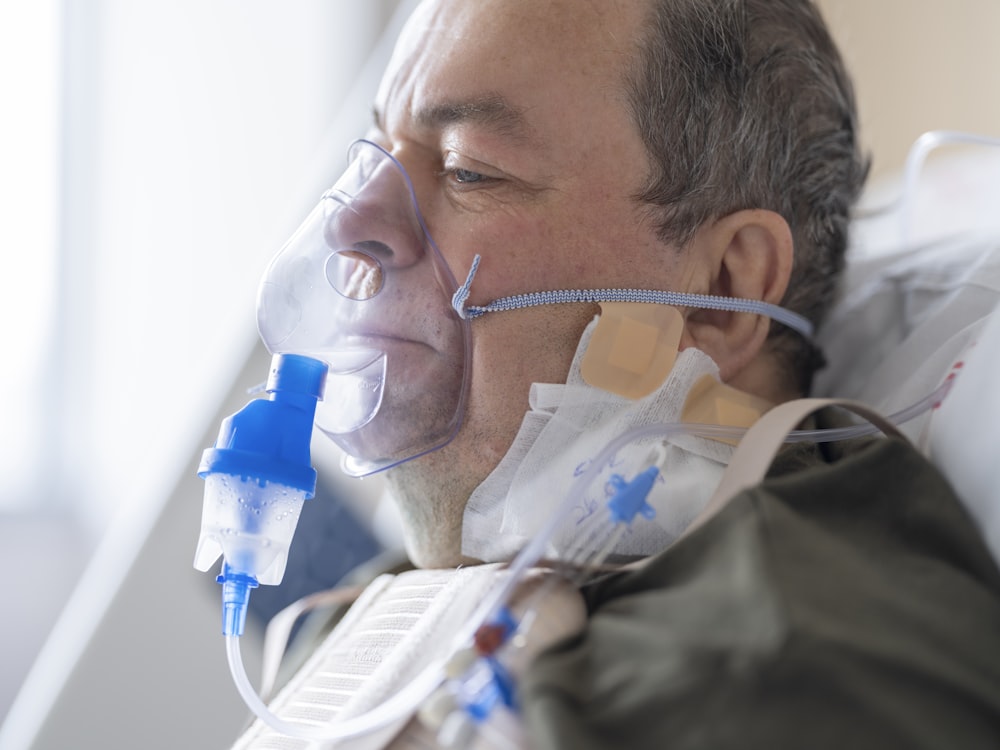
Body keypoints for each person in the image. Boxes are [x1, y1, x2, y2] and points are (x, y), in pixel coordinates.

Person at [235, 0, 1000, 747]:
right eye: (376, 149)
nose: (348, 221)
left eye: (469, 168)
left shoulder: (793, 657)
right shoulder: (374, 606)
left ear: (722, 294)